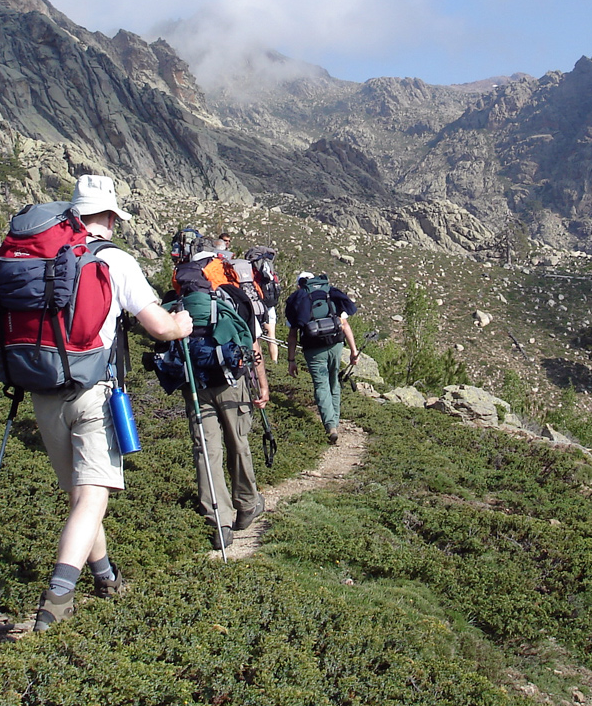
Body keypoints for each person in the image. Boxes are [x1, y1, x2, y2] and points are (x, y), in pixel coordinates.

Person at [33, 175, 192, 632]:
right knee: (92, 497)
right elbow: (158, 326)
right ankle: (58, 598)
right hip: (93, 391)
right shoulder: (114, 260)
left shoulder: (44, 254)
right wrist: (180, 325)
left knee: (80, 495)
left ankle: (105, 577)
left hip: (43, 389)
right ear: (109, 217)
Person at [175, 238, 270, 549]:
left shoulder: (179, 300)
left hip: (196, 384)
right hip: (231, 382)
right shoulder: (233, 295)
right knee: (238, 443)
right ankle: (247, 504)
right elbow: (252, 345)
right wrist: (262, 384)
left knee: (207, 450)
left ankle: (219, 520)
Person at [284, 272, 359, 444]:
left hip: (313, 348)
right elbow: (344, 324)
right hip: (336, 344)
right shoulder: (328, 293)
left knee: (321, 385)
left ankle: (330, 426)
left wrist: (291, 360)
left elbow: (292, 335)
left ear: (300, 284)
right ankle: (335, 421)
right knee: (334, 381)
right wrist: (353, 351)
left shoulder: (298, 299)